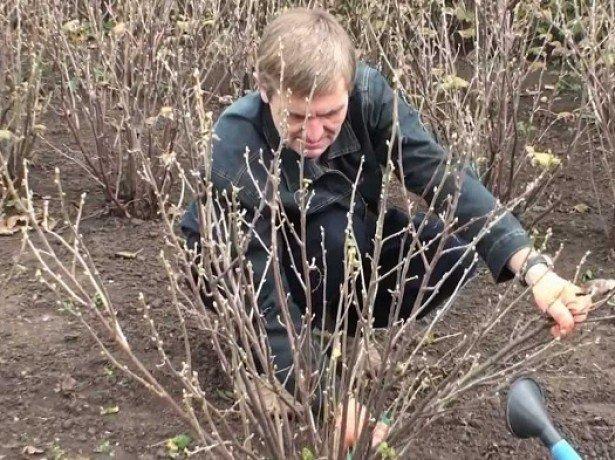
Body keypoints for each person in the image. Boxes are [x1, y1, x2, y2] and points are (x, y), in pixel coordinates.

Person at [181, 7, 592, 450]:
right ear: (266, 91)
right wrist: (326, 399)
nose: (316, 133)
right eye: (298, 117)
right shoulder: (237, 138)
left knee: (449, 254)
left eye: (330, 113)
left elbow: (443, 178)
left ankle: (333, 334)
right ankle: (265, 367)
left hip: (335, 244)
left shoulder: (369, 97)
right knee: (327, 239)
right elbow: (258, 284)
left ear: (350, 88)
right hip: (253, 267)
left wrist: (535, 269)